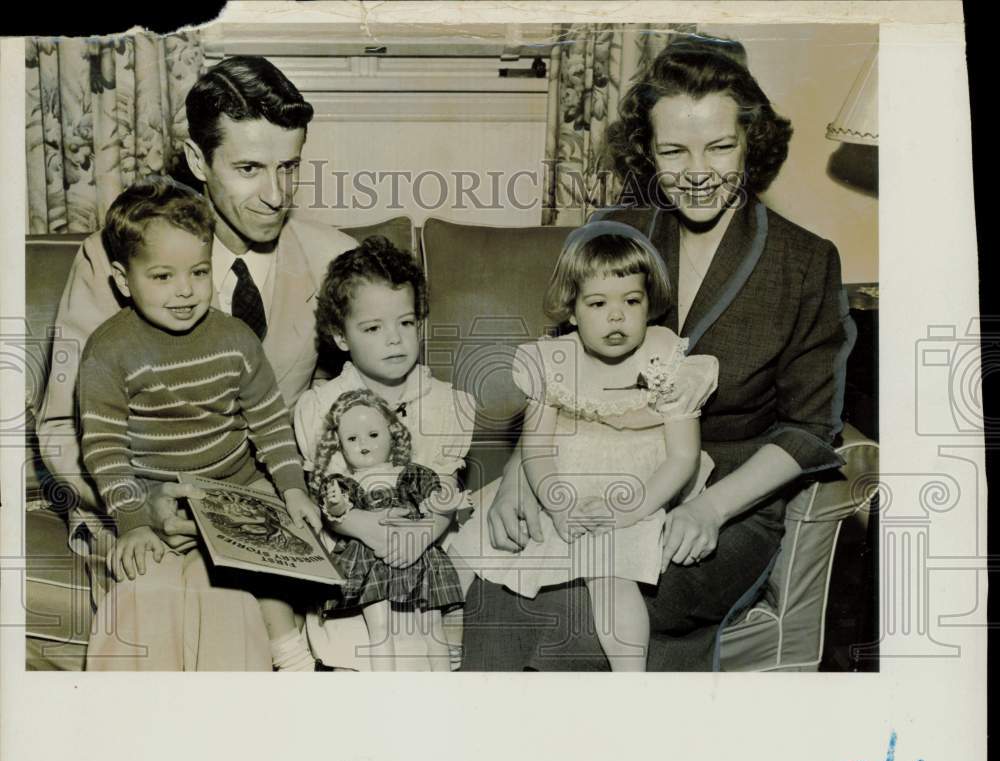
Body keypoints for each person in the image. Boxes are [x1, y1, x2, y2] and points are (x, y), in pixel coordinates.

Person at [461, 34, 857, 672]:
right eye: (674, 150)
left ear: (751, 142)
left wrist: (709, 507)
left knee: (580, 608)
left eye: (720, 146)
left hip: (725, 495)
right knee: (498, 582)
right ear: (647, 149)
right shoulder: (614, 233)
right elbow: (560, 380)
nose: (698, 172)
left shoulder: (806, 261)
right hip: (587, 471)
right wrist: (516, 483)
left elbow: (812, 427)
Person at [38, 56, 357, 670]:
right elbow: (60, 429)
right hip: (134, 505)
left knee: (236, 604)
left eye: (289, 167)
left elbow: (340, 408)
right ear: (195, 160)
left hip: (253, 510)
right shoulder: (117, 259)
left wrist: (309, 494)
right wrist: (140, 506)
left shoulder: (334, 257)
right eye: (248, 169)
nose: (275, 195)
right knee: (158, 604)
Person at [78, 178, 324, 671]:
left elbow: (271, 424)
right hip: (153, 495)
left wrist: (293, 490)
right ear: (124, 281)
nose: (186, 290)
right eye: (162, 276)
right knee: (151, 588)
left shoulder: (235, 339)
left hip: (235, 489)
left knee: (237, 595)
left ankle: (287, 657)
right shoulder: (108, 349)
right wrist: (132, 522)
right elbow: (104, 450)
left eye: (197, 271)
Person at [451, 223, 717, 671]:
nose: (617, 317)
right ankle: (445, 656)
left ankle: (630, 679)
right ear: (571, 311)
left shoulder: (668, 358)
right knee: (465, 547)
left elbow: (682, 457)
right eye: (598, 304)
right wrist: (557, 504)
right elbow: (536, 449)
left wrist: (630, 511)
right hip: (565, 474)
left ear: (649, 303)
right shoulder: (553, 361)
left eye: (632, 301)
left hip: (641, 482)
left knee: (607, 571)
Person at [294, 236, 476, 671]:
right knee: (366, 644)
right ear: (340, 335)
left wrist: (424, 533)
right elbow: (328, 494)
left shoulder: (447, 403)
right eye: (373, 328)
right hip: (355, 538)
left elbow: (443, 490)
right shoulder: (320, 407)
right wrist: (365, 528)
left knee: (422, 638)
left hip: (429, 538)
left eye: (407, 323)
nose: (395, 340)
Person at [311, 390, 465, 671]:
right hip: (369, 560)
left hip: (418, 555)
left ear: (392, 435)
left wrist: (443, 502)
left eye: (373, 434)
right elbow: (337, 514)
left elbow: (436, 498)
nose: (363, 445)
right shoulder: (346, 482)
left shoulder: (410, 473)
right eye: (352, 439)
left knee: (431, 623)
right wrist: (334, 504)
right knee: (379, 626)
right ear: (339, 446)